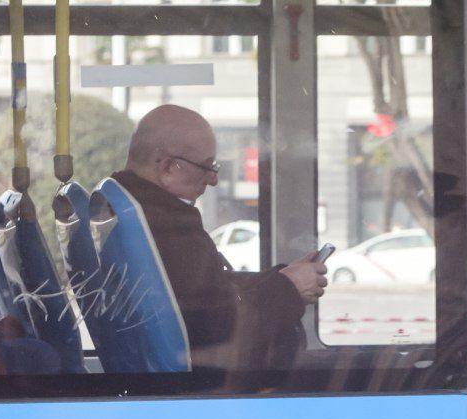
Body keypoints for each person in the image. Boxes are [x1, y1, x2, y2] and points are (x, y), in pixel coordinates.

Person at [113, 104, 326, 369]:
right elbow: (220, 325)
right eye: (206, 167)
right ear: (168, 168)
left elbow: (208, 293)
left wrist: (281, 278)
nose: (213, 180)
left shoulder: (133, 212)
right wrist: (289, 289)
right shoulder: (169, 227)